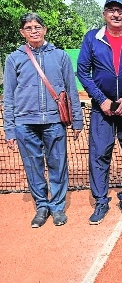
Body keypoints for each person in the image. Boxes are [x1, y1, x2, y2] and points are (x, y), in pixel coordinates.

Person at [3, 12, 83, 227]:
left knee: (58, 164)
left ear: (45, 29)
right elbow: (8, 95)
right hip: (24, 123)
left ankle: (57, 207)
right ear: (22, 33)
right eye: (28, 28)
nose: (33, 31)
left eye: (37, 27)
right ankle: (42, 206)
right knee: (33, 167)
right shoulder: (14, 58)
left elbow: (71, 91)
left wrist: (77, 120)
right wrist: (9, 128)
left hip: (54, 121)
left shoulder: (61, 56)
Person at [77, 0, 122, 225]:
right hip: (102, 110)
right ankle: (100, 202)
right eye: (111, 10)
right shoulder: (92, 38)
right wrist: (101, 100)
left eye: (120, 11)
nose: (116, 15)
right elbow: (82, 72)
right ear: (104, 14)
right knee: (99, 156)